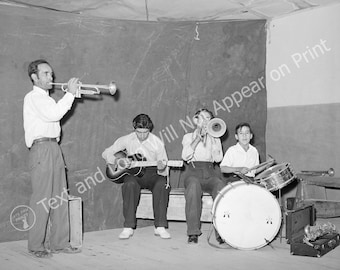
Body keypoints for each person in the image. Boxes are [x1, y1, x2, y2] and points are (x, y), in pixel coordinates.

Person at [23, 59, 81, 258]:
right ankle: (36, 246)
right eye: (46, 73)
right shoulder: (33, 97)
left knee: (60, 197)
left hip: (54, 148)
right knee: (41, 199)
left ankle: (60, 243)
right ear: (34, 77)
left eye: (51, 74)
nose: (51, 77)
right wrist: (71, 94)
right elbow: (53, 114)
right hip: (41, 149)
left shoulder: (47, 98)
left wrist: (70, 95)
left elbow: (54, 113)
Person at [102, 114, 171, 240]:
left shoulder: (157, 142)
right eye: (139, 132)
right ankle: (128, 226)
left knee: (162, 184)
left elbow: (164, 168)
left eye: (145, 132)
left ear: (149, 129)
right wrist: (118, 161)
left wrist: (162, 167)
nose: (142, 136)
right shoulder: (127, 139)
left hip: (152, 172)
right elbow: (106, 153)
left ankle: (160, 226)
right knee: (129, 184)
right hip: (134, 173)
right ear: (134, 129)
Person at [181, 108, 225, 244]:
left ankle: (222, 232)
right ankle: (193, 232)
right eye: (203, 118)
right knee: (193, 186)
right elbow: (185, 156)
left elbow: (218, 159)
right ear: (196, 120)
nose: (206, 121)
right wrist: (197, 139)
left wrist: (215, 140)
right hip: (193, 171)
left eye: (208, 118)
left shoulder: (215, 137)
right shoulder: (188, 137)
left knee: (220, 186)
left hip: (210, 171)